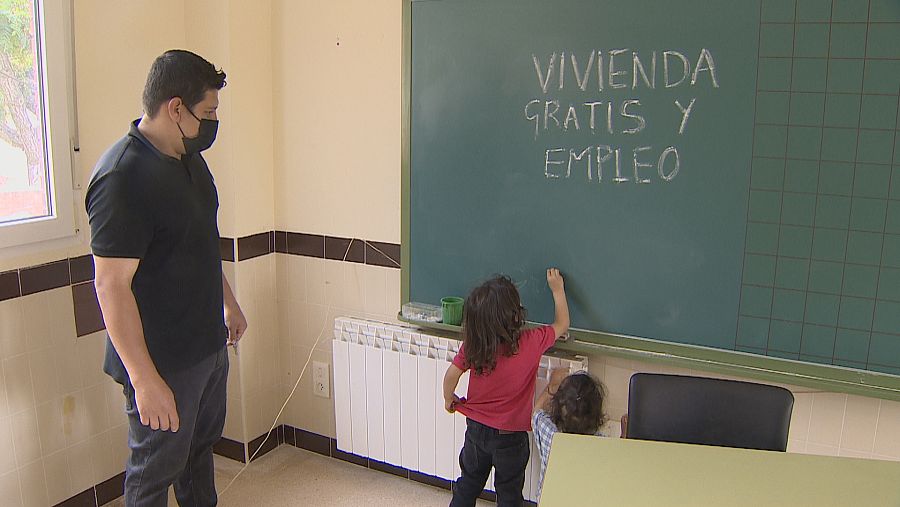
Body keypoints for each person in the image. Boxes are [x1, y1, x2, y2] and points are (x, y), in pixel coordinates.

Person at [86, 49, 247, 507]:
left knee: (198, 454)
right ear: (175, 108)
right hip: (163, 363)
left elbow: (199, 242)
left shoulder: (188, 160)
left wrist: (228, 303)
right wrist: (144, 380)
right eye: (207, 113)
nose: (213, 123)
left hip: (207, 347)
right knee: (154, 472)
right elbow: (110, 286)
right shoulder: (122, 177)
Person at [443, 268, 569, 507]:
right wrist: (557, 289)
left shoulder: (475, 344)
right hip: (511, 437)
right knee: (509, 495)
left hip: (477, 430)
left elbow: (451, 374)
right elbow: (562, 324)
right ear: (514, 315)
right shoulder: (531, 341)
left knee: (468, 484)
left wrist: (448, 398)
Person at [532, 368, 608, 499]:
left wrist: (552, 385)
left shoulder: (549, 433)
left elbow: (536, 412)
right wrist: (625, 432)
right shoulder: (602, 444)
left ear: (558, 406)